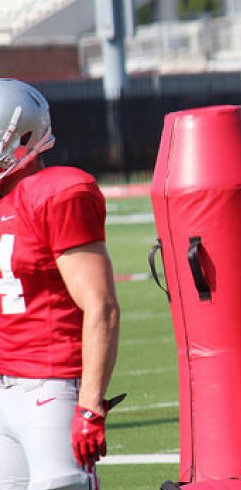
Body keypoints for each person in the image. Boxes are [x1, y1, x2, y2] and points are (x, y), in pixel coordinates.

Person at [0, 79, 122, 489]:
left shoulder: (57, 192)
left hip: (51, 389)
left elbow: (100, 306)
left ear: (20, 136)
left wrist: (90, 406)